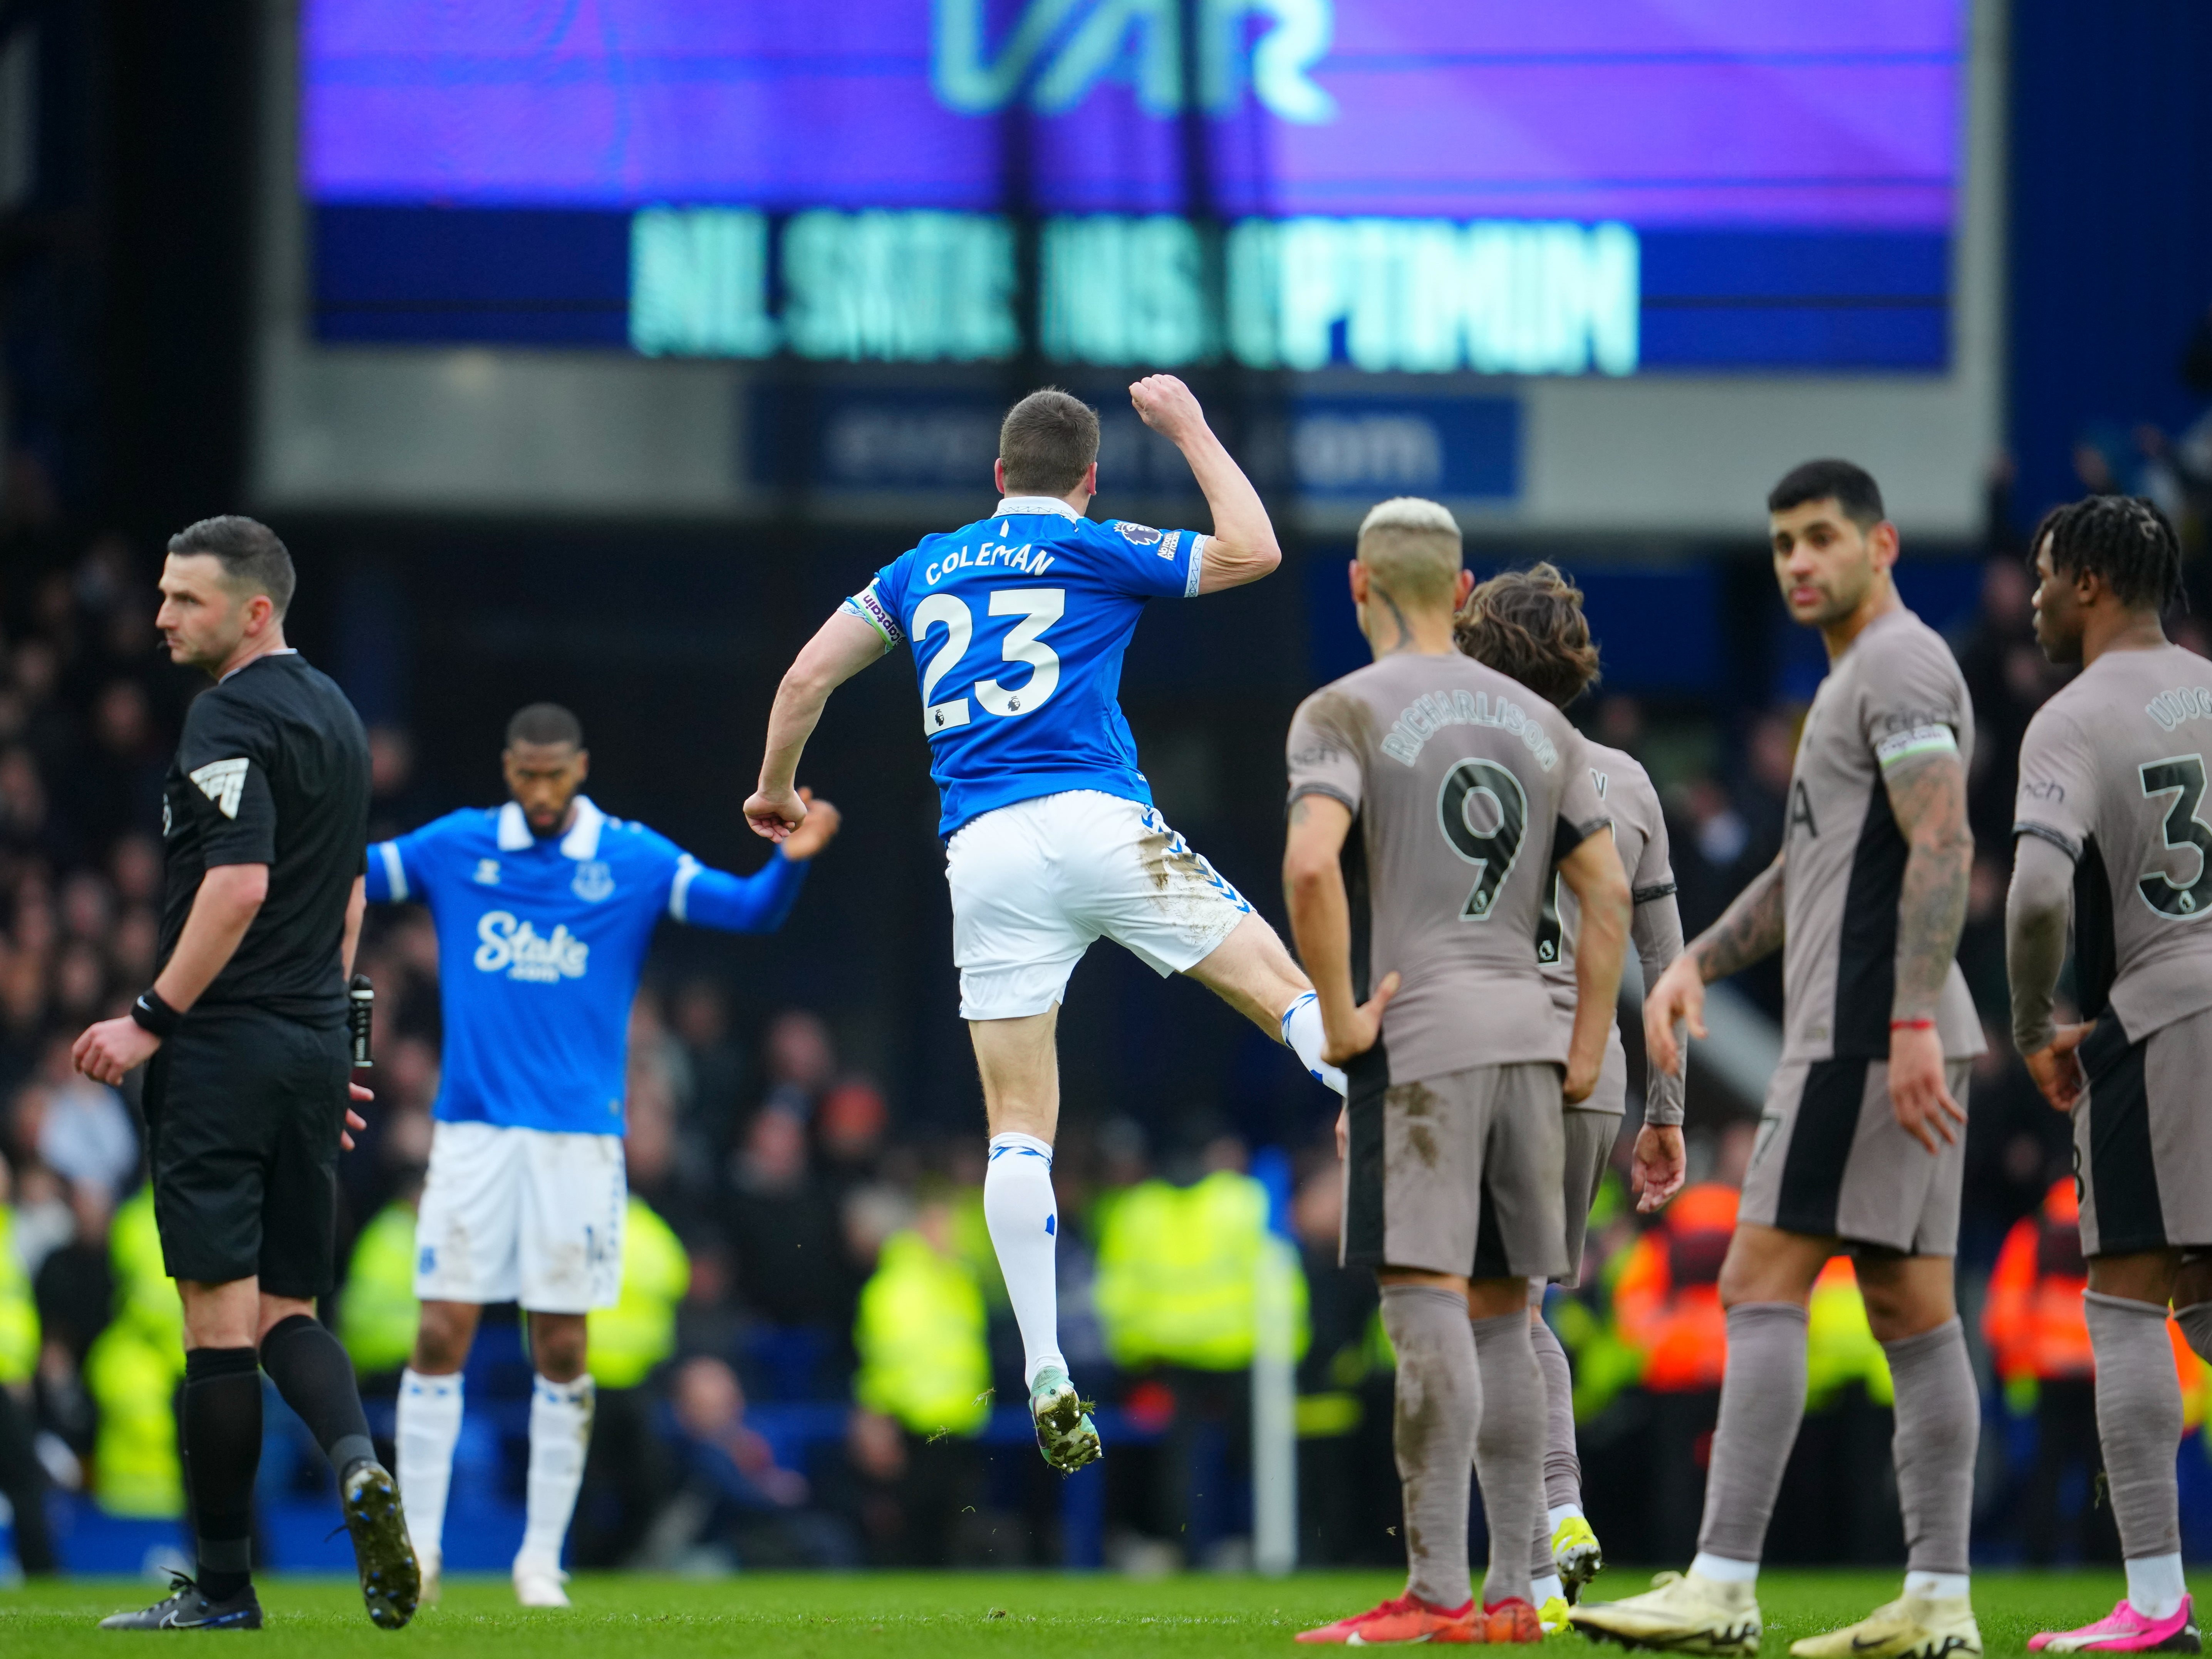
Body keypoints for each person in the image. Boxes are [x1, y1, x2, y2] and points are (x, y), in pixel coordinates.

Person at [742, 378, 1341, 1473]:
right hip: (1099, 820)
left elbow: (803, 676)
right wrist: (1194, 429)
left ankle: (1045, 1366)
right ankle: (1390, 1113)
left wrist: (777, 787)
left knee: (1019, 1119)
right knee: (1282, 991)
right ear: (1091, 477)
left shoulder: (922, 566)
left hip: (987, 850)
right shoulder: (1104, 543)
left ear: (998, 475)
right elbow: (1253, 550)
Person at [1575, 461, 1984, 1658]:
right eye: (1783, 546)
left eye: (1821, 538)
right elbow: (1810, 872)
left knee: (1757, 1283)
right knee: (1914, 1312)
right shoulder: (1855, 683)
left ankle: (1722, 1582)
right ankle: (1942, 1599)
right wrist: (1700, 952)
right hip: (1895, 1022)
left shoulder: (1899, 666)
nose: (1800, 562)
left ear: (1884, 543)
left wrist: (1905, 1019)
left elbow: (1946, 837)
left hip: (1866, 1030)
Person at [363, 701, 839, 1606]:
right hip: (472, 1133)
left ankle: (540, 1560)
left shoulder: (631, 858)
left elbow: (743, 911)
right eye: (525, 775)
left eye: (555, 774)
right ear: (509, 770)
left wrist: (791, 861)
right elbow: (353, 874)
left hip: (580, 1142)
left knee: (564, 1345)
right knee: (437, 1334)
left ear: (579, 768)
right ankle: (418, 1552)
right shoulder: (457, 845)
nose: (540, 791)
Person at [1281, 497, 1631, 1644]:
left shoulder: (1343, 709)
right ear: (1465, 587)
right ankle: (1521, 1595)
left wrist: (1338, 1019)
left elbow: (1311, 868)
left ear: (1358, 584)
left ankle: (1435, 1593)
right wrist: (1583, 1049)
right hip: (1533, 1042)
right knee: (1505, 1312)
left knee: (1425, 1300)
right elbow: (1609, 895)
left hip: (1423, 1039)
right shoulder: (1546, 725)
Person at [70, 515, 416, 1631]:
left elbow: (238, 887)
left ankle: (223, 1592)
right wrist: (345, 1048)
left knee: (217, 1325)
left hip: (223, 1049)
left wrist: (148, 1019)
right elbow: (351, 897)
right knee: (288, 1310)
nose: (162, 615)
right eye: (164, 594)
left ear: (253, 611)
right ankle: (360, 1464)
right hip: (314, 1047)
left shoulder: (230, 712)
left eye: (186, 600)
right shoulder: (338, 716)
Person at [1453, 562, 1689, 1627]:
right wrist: (1669, 1113)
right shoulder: (1629, 781)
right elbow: (1665, 960)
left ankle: (1541, 1534)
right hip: (1594, 1077)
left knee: (1482, 1315)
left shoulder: (1450, 768)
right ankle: (1549, 1544)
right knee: (1518, 1306)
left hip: (1486, 1060)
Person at [2005, 495, 2212, 1651]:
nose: (2032, 595)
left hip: (2165, 1010)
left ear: (2089, 582)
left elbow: (2038, 892)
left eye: (2043, 574)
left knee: (2126, 1296)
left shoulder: (2074, 716)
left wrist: (2039, 1018)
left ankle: (2154, 1602)